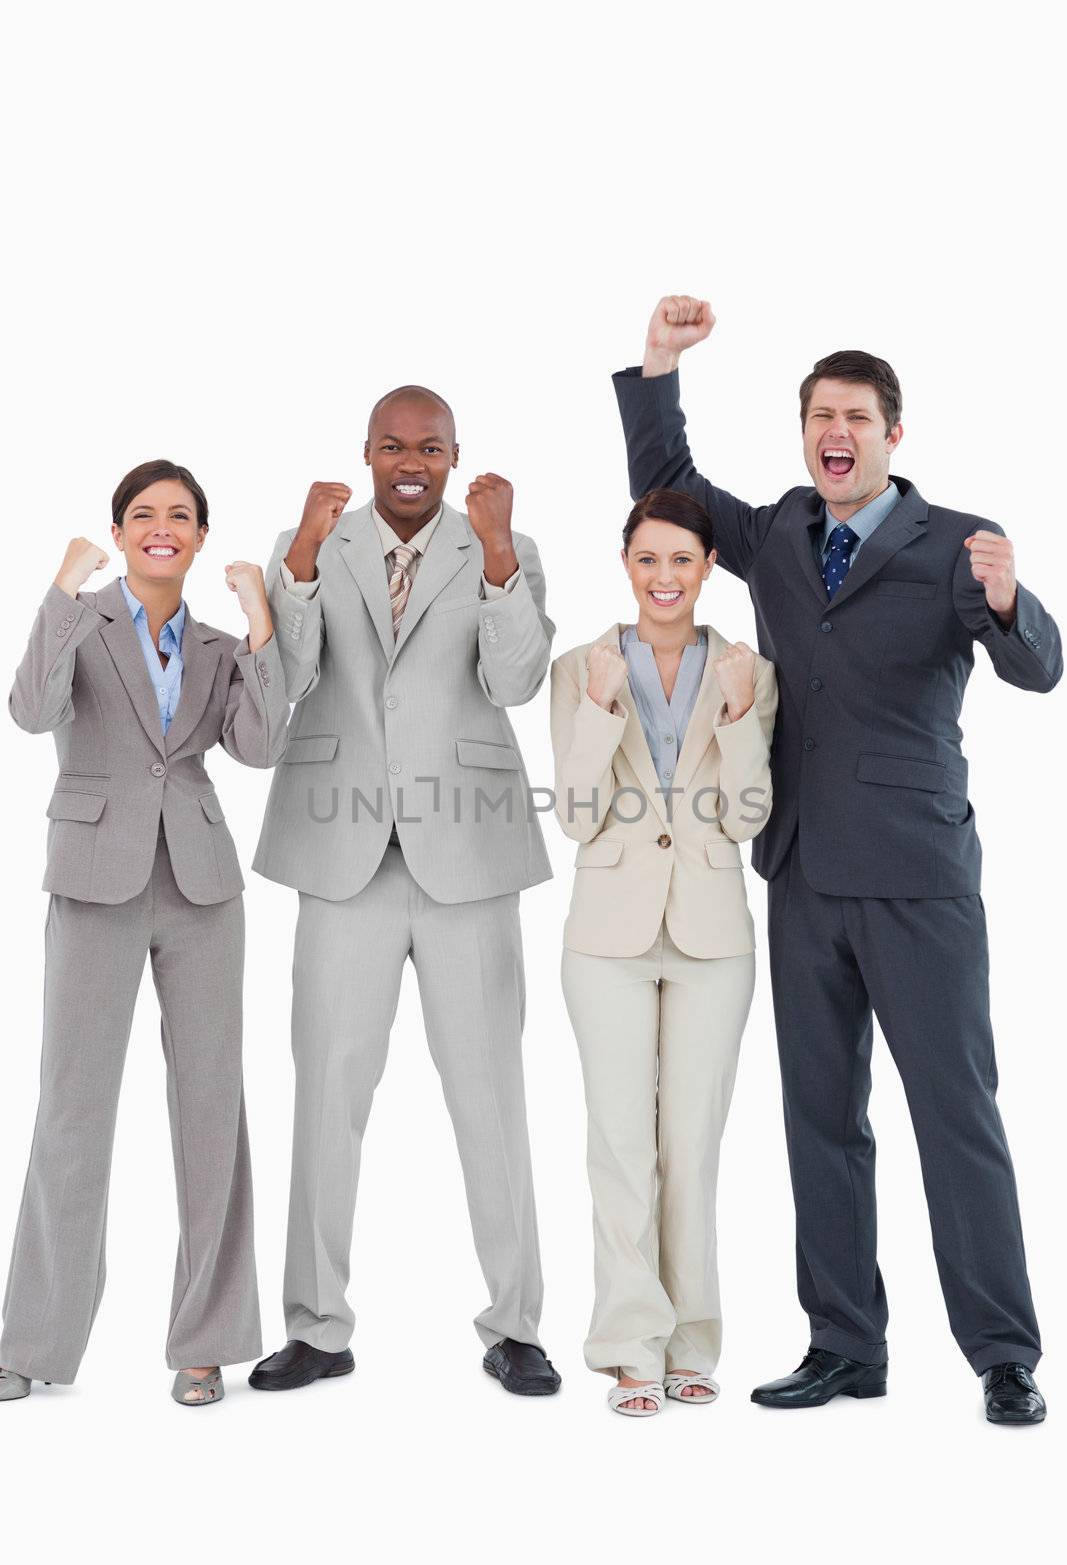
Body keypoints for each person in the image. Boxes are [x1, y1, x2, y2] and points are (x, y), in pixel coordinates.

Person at [612, 297, 1062, 1425]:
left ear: (890, 436)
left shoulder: (953, 540)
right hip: (801, 866)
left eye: (856, 416)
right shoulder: (769, 534)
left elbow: (1038, 668)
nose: (836, 431)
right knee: (819, 1113)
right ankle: (843, 1342)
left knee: (954, 1110)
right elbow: (667, 483)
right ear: (804, 430)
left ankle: (1002, 1353)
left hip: (916, 875)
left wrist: (1011, 603)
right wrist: (657, 366)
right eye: (820, 414)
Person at [248, 385, 561, 1397]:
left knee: (489, 1098)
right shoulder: (316, 543)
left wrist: (503, 552)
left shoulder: (493, 544)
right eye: (392, 446)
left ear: (455, 453)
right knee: (325, 1096)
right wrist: (296, 553)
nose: (409, 461)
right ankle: (315, 1325)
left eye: (429, 446)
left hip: (465, 854)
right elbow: (290, 675)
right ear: (369, 452)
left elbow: (513, 683)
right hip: (341, 855)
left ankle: (513, 1324)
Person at [0, 460, 288, 1407]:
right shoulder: (79, 623)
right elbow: (30, 711)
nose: (160, 527)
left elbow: (257, 747)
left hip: (202, 887)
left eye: (179, 516)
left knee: (212, 1112)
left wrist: (261, 627)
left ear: (201, 538)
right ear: (118, 533)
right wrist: (56, 587)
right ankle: (31, 1338)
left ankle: (204, 1343)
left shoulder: (214, 644)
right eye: (142, 515)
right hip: (93, 880)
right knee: (71, 1109)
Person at [550, 488, 776, 1417]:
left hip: (712, 937)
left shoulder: (748, 672)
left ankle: (692, 1340)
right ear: (626, 565)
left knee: (691, 1146)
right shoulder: (580, 668)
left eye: (681, 560)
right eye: (647, 559)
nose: (664, 578)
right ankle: (628, 1343)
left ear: (708, 567)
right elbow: (572, 815)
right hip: (606, 935)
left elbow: (748, 817)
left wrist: (733, 722)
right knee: (619, 1144)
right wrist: (601, 711)